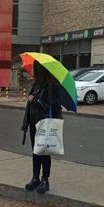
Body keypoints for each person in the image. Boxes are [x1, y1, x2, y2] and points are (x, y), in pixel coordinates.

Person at [21, 62, 62, 194]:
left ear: (40, 70)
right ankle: (35, 177)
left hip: (44, 124)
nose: (32, 70)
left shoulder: (50, 86)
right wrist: (26, 123)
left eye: (34, 68)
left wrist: (36, 100)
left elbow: (53, 106)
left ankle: (45, 179)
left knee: (44, 152)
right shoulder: (36, 84)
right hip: (34, 123)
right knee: (36, 151)